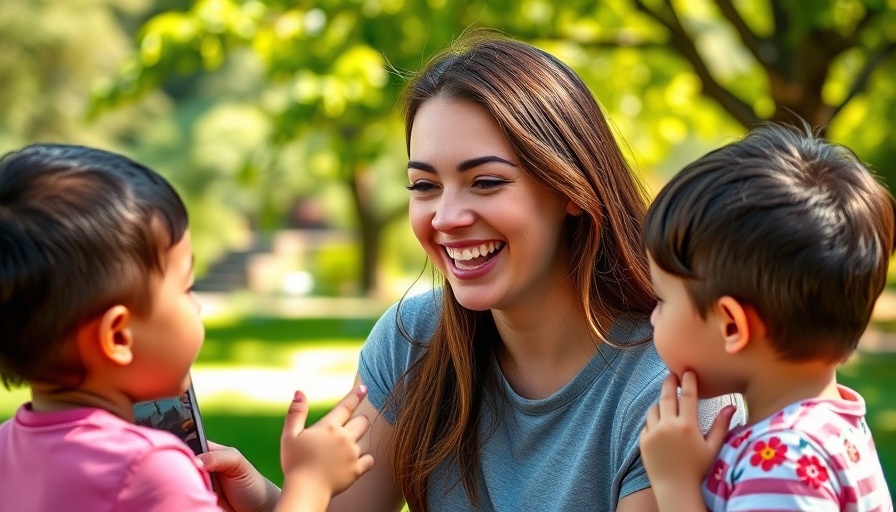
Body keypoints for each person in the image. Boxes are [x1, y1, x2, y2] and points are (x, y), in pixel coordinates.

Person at [194, 30, 745, 511]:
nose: (447, 218)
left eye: (486, 182)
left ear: (570, 190)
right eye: (424, 186)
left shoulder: (672, 383)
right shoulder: (413, 339)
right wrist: (265, 500)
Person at [0, 143, 374, 511]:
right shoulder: (149, 468)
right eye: (186, 288)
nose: (196, 306)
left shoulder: (6, 448)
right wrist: (310, 482)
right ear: (117, 337)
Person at [638, 124, 895, 510]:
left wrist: (675, 484)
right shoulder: (830, 429)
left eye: (661, 300)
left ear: (731, 326)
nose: (653, 318)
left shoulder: (782, 464)